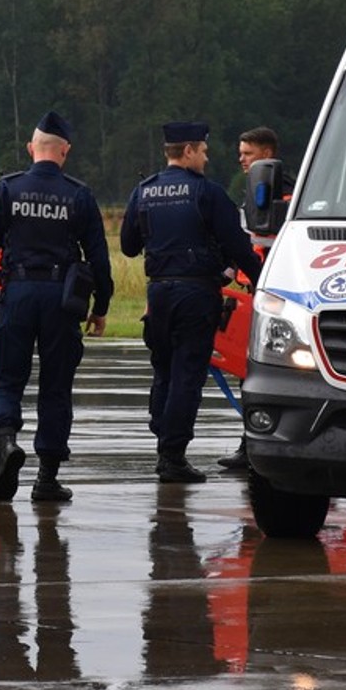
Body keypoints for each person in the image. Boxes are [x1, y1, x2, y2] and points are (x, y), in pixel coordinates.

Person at [0, 111, 112, 504]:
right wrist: (101, 306)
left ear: (31, 148)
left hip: (16, 293)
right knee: (56, 386)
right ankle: (46, 478)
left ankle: (6, 441)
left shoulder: (8, 189)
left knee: (5, 379)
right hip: (62, 300)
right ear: (65, 151)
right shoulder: (78, 194)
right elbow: (99, 257)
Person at [120, 121, 264, 484]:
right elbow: (238, 246)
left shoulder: (143, 191)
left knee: (164, 370)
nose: (206, 158)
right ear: (187, 151)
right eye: (203, 151)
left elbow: (128, 246)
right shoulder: (208, 193)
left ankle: (162, 436)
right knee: (187, 374)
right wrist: (264, 280)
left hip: (158, 293)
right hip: (196, 294)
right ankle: (173, 455)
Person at [216, 126, 293, 470]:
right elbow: (242, 247)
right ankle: (251, 443)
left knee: (266, 373)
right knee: (248, 372)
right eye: (240, 153)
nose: (241, 159)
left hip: (277, 297)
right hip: (254, 294)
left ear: (267, 154)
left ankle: (259, 444)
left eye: (247, 153)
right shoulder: (253, 193)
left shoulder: (287, 195)